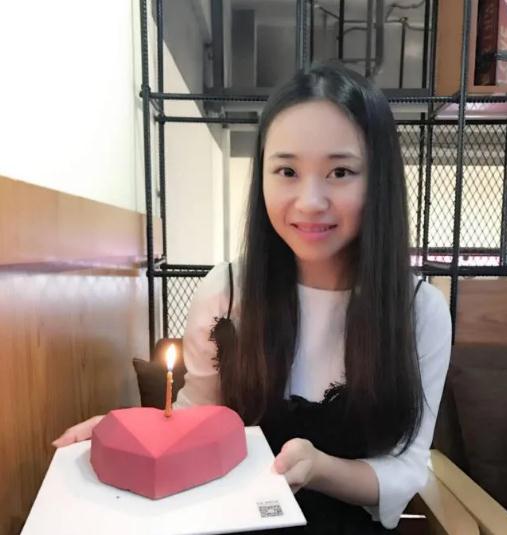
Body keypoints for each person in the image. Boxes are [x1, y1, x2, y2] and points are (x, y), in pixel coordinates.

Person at [53, 61, 451, 534]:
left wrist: (320, 469)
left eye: (340, 171)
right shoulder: (226, 293)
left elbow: (407, 467)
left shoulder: (419, 312)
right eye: (287, 170)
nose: (310, 201)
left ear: (379, 179)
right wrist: (129, 436)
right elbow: (195, 418)